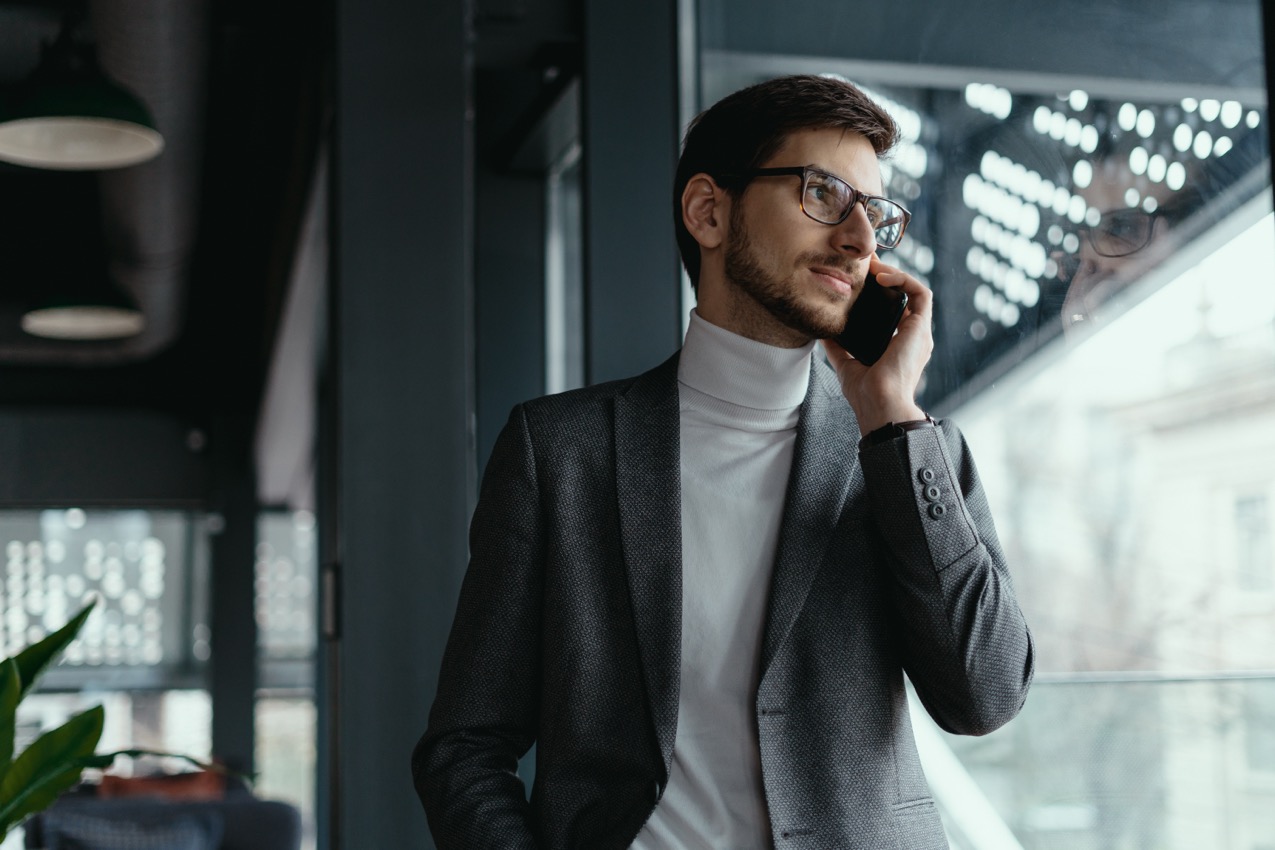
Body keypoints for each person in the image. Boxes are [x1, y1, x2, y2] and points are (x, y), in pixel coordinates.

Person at [413, 74, 1035, 850]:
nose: (858, 239)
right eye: (821, 195)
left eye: (874, 215)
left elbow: (985, 697)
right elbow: (465, 747)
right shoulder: (561, 454)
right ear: (708, 211)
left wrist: (888, 417)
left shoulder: (912, 452)